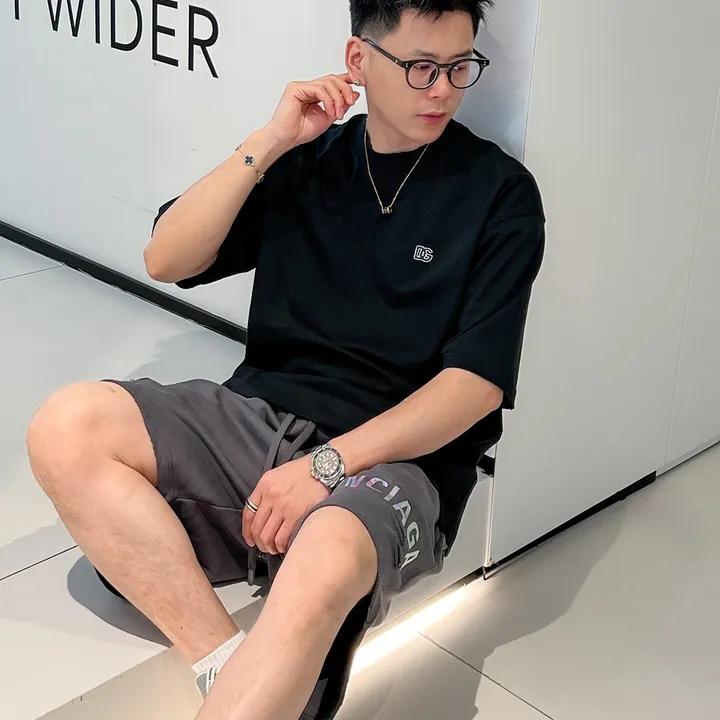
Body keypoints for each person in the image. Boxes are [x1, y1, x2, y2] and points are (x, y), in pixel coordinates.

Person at [26, 1, 545, 718]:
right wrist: (269, 140)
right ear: (358, 61)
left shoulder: (499, 193)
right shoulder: (307, 161)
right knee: (66, 424)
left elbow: (475, 387)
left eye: (460, 67)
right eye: (421, 68)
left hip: (397, 461)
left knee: (329, 547)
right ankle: (226, 663)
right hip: (258, 418)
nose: (444, 91)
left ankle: (288, 618)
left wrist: (327, 467)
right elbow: (166, 258)